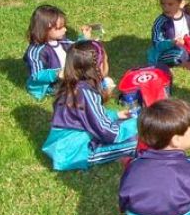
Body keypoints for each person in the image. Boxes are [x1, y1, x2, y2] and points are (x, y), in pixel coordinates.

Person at [41, 41, 137, 170]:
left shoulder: (72, 86)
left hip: (62, 146)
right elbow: (109, 133)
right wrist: (138, 124)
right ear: (99, 66)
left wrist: (116, 115)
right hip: (75, 154)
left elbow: (86, 116)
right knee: (138, 142)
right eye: (106, 61)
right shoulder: (86, 93)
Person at [24, 4, 73, 100]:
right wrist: (56, 74)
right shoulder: (36, 51)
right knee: (74, 91)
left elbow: (74, 47)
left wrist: (85, 39)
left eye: (64, 26)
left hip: (67, 75)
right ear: (46, 29)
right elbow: (36, 75)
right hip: (51, 85)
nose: (65, 30)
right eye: (59, 28)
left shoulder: (61, 40)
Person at [147, 0, 190, 69]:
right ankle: (184, 64)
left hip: (189, 46)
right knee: (177, 54)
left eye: (170, 4)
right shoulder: (161, 22)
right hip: (170, 50)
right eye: (163, 4)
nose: (165, 7)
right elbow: (157, 43)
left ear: (182, 3)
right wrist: (172, 42)